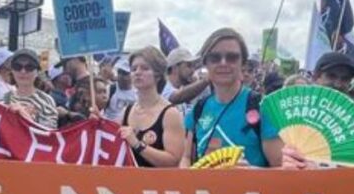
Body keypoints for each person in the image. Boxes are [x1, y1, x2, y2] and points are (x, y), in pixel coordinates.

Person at [181, 28, 282, 168]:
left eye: (232, 57)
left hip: (251, 189)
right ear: (206, 63)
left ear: (243, 63)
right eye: (215, 58)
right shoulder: (198, 110)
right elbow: (186, 158)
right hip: (204, 189)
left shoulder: (263, 107)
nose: (223, 63)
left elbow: (281, 170)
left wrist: (251, 172)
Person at [118, 47, 186, 168]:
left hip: (159, 185)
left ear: (158, 75)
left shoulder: (170, 114)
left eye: (145, 68)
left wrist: (137, 144)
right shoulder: (126, 111)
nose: (137, 72)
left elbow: (173, 160)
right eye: (134, 69)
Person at [3, 49, 59, 129]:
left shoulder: (46, 100)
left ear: (37, 72)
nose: (23, 71)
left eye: (29, 67)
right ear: (12, 71)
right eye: (17, 67)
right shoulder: (4, 99)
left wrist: (24, 115)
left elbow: (49, 135)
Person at [103, 58, 137, 123]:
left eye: (125, 73)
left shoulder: (138, 92)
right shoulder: (110, 89)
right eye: (119, 72)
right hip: (110, 127)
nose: (121, 76)